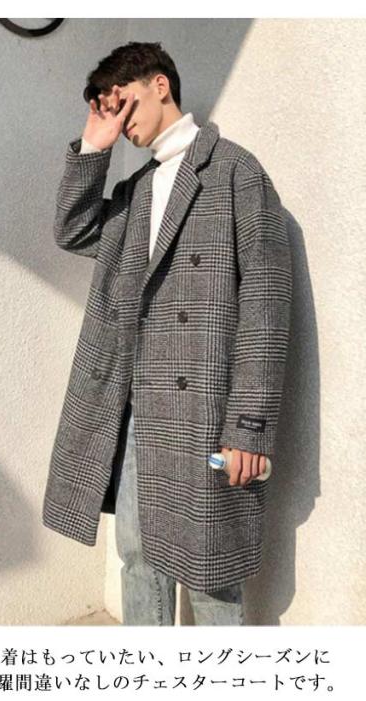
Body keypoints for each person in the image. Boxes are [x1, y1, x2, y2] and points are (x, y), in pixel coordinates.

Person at [42, 41, 292, 625]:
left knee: (212, 576)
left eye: (123, 102)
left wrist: (249, 428)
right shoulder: (136, 193)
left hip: (206, 412)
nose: (120, 119)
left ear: (160, 85)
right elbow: (73, 231)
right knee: (137, 559)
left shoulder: (235, 171)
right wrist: (94, 147)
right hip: (136, 410)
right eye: (108, 110)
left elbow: (265, 307)